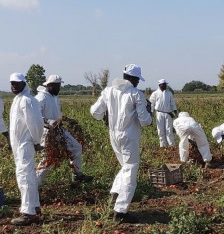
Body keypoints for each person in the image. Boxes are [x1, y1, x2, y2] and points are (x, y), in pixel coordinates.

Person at [90, 63, 152, 223]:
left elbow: (95, 113)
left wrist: (108, 114)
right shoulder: (136, 94)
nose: (138, 82)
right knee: (131, 168)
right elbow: (145, 121)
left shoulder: (108, 91)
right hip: (129, 135)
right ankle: (121, 210)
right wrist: (148, 110)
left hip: (114, 135)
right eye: (137, 79)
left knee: (125, 166)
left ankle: (115, 193)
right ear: (132, 78)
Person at [35, 74, 92, 185]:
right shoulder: (41, 98)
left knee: (76, 148)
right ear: (50, 85)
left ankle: (77, 175)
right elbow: (35, 116)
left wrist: (68, 119)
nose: (59, 88)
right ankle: (36, 185)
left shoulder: (54, 97)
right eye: (57, 86)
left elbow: (57, 116)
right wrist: (49, 122)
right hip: (46, 133)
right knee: (47, 159)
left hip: (59, 130)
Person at [7, 72, 45, 226]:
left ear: (24, 83)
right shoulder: (18, 100)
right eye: (12, 83)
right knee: (25, 174)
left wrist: (36, 141)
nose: (14, 86)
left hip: (26, 144)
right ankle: (34, 206)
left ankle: (27, 212)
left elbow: (35, 123)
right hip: (19, 145)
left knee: (25, 176)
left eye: (17, 83)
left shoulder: (28, 101)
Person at [149, 79, 178, 148]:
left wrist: (175, 112)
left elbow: (172, 103)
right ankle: (163, 146)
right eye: (163, 84)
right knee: (160, 130)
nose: (165, 86)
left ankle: (172, 146)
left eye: (165, 84)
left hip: (168, 113)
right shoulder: (155, 93)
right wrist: (151, 113)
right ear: (159, 85)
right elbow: (151, 104)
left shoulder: (169, 93)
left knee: (169, 130)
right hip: (159, 113)